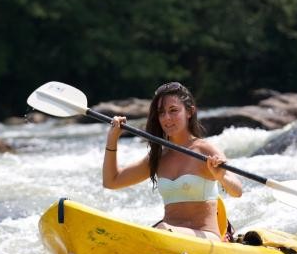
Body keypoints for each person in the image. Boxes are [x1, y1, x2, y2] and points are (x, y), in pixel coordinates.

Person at [102, 82, 242, 241]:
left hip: (206, 237)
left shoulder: (205, 150)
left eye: (173, 110)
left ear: (189, 112)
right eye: (161, 113)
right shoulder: (158, 157)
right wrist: (112, 139)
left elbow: (237, 191)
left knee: (161, 229)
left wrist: (220, 176)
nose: (167, 118)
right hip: (169, 236)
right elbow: (111, 181)